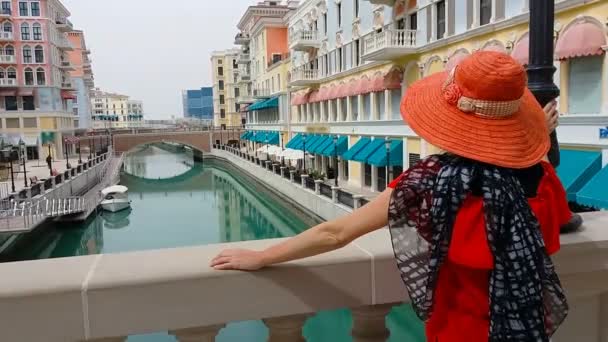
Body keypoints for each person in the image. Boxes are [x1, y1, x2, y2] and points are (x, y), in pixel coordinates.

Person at [211, 51, 570, 341]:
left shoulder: (429, 182)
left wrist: (262, 256)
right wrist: (533, 144)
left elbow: (335, 233)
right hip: (525, 327)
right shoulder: (542, 178)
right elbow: (557, 225)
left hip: (456, 332)